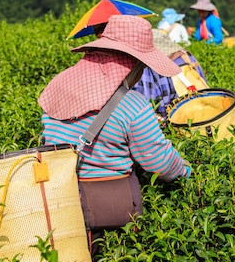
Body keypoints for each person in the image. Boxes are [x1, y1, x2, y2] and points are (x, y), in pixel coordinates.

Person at [38, 15, 191, 256]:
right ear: (131, 64)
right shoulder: (132, 105)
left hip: (57, 202)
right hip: (108, 213)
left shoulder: (56, 85)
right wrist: (185, 171)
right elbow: (158, 162)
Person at [133, 29, 208, 120]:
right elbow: (203, 80)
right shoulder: (186, 55)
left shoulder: (150, 67)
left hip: (175, 119)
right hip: (204, 108)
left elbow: (150, 101)